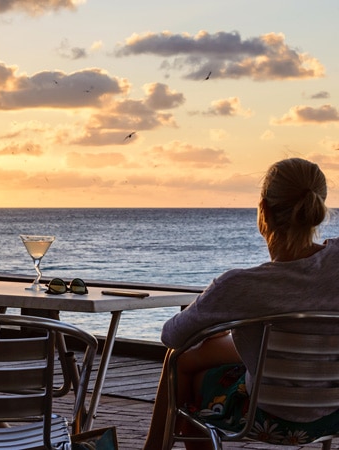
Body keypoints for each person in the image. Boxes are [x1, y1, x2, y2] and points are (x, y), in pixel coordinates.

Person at [143, 157, 339, 449]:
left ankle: (154, 447)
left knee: (180, 363)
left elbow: (171, 336)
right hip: (333, 414)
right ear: (320, 209)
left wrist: (217, 323)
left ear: (264, 211)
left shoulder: (241, 286)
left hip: (266, 417)